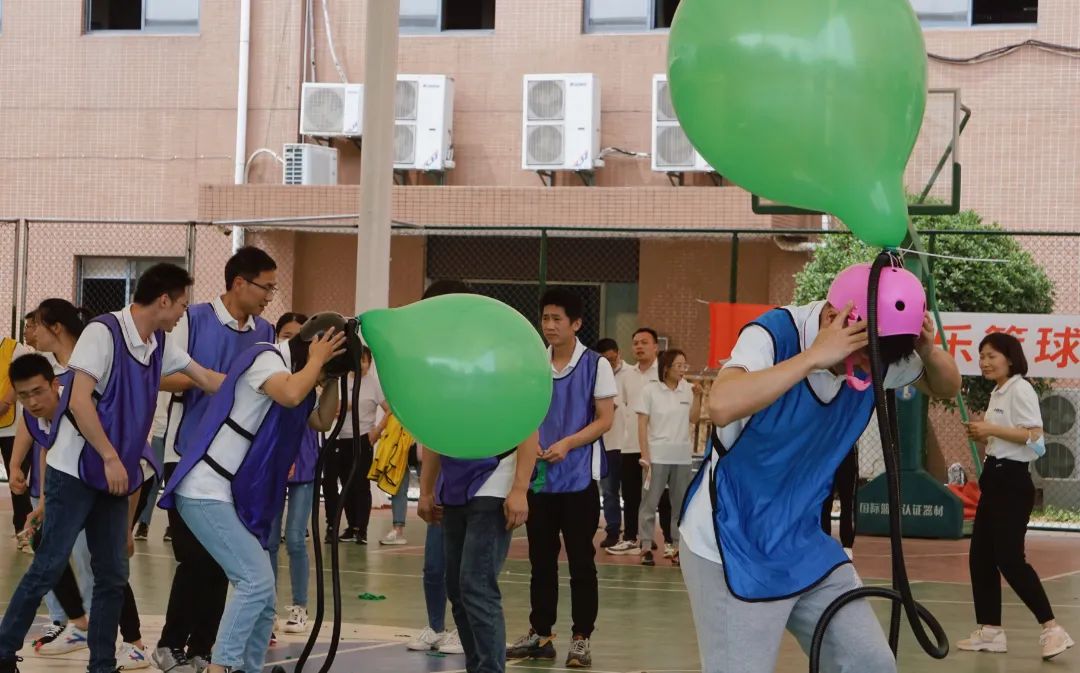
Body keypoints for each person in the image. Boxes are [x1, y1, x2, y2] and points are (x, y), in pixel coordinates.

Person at [678, 262, 962, 673]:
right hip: (732, 539)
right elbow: (721, 405)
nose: (870, 370)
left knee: (870, 663)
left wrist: (927, 350)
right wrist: (813, 357)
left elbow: (947, 386)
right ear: (834, 318)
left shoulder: (876, 349)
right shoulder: (775, 334)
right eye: (863, 357)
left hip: (803, 540)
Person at [0, 263, 223, 673]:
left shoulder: (158, 343)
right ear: (163, 300)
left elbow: (207, 378)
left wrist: (268, 384)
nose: (183, 314)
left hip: (113, 477)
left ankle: (101, 664)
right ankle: (2, 652)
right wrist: (109, 456)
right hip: (77, 471)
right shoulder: (103, 333)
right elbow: (79, 401)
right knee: (49, 565)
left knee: (113, 575)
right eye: (181, 305)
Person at [159, 316, 346, 673]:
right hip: (204, 489)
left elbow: (322, 420)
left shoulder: (295, 376)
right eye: (320, 367)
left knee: (264, 596)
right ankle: (221, 666)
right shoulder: (266, 359)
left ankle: (249, 667)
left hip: (225, 493)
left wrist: (333, 375)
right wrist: (319, 361)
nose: (318, 378)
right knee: (255, 581)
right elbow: (291, 394)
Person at [155, 246, 277, 673]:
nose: (270, 296)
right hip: (186, 457)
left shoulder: (266, 332)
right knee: (196, 558)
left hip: (235, 465)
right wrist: (207, 381)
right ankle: (171, 644)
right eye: (266, 287)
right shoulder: (193, 319)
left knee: (227, 564)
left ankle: (204, 651)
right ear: (239, 283)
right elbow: (162, 374)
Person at [506, 288, 615, 668]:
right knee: (541, 561)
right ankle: (541, 634)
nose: (549, 325)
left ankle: (581, 637)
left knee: (582, 561)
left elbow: (605, 419)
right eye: (545, 318)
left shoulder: (596, 365)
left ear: (576, 323)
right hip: (539, 479)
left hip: (578, 480)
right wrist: (528, 444)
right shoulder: (534, 363)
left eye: (557, 319)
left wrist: (568, 443)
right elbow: (524, 413)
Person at [957, 332, 1074, 660]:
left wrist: (990, 430)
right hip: (995, 479)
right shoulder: (999, 392)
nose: (984, 362)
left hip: (1011, 482)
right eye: (981, 356)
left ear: (1010, 358)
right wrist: (985, 435)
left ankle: (1052, 628)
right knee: (981, 557)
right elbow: (1010, 437)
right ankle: (991, 631)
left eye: (991, 355)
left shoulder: (1020, 389)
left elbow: (1036, 439)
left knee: (1009, 559)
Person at [404, 280, 472, 656]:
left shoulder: (479, 356)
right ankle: (435, 626)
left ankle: (465, 630)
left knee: (467, 570)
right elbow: (432, 432)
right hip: (446, 478)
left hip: (480, 480)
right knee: (434, 565)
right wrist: (426, 490)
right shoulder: (432, 362)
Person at [266, 312, 316, 635]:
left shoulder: (312, 373)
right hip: (272, 465)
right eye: (286, 335)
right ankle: (267, 608)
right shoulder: (268, 370)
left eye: (300, 336)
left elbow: (321, 418)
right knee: (269, 540)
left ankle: (300, 606)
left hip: (305, 462)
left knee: (296, 538)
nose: (293, 341)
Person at [606, 327, 670, 557]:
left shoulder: (664, 374)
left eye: (644, 342)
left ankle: (670, 541)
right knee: (631, 494)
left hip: (658, 446)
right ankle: (631, 538)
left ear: (656, 347)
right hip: (631, 444)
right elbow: (616, 405)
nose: (639, 347)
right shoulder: (626, 376)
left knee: (661, 496)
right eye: (635, 343)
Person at [635, 348, 701, 567]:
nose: (683, 370)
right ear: (666, 368)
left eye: (684, 365)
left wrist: (698, 396)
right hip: (657, 456)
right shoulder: (650, 390)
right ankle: (646, 546)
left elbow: (694, 419)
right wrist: (645, 455)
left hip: (682, 457)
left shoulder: (687, 389)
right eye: (679, 365)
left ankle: (677, 547)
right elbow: (642, 425)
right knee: (649, 502)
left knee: (680, 504)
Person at [594, 338, 629, 549]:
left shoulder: (632, 374)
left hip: (631, 444)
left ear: (618, 353)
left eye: (612, 358)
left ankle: (635, 534)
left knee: (634, 492)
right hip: (607, 442)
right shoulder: (595, 375)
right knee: (609, 490)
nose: (609, 362)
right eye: (605, 359)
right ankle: (613, 530)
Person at [1, 328, 34, 540]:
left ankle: (23, 530)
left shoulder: (14, 349)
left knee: (18, 482)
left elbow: (20, 378)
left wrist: (5, 402)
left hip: (11, 429)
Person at [821, 445, 858, 559]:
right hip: (827, 452)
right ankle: (824, 543)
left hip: (846, 453)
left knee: (847, 502)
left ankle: (847, 546)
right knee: (825, 501)